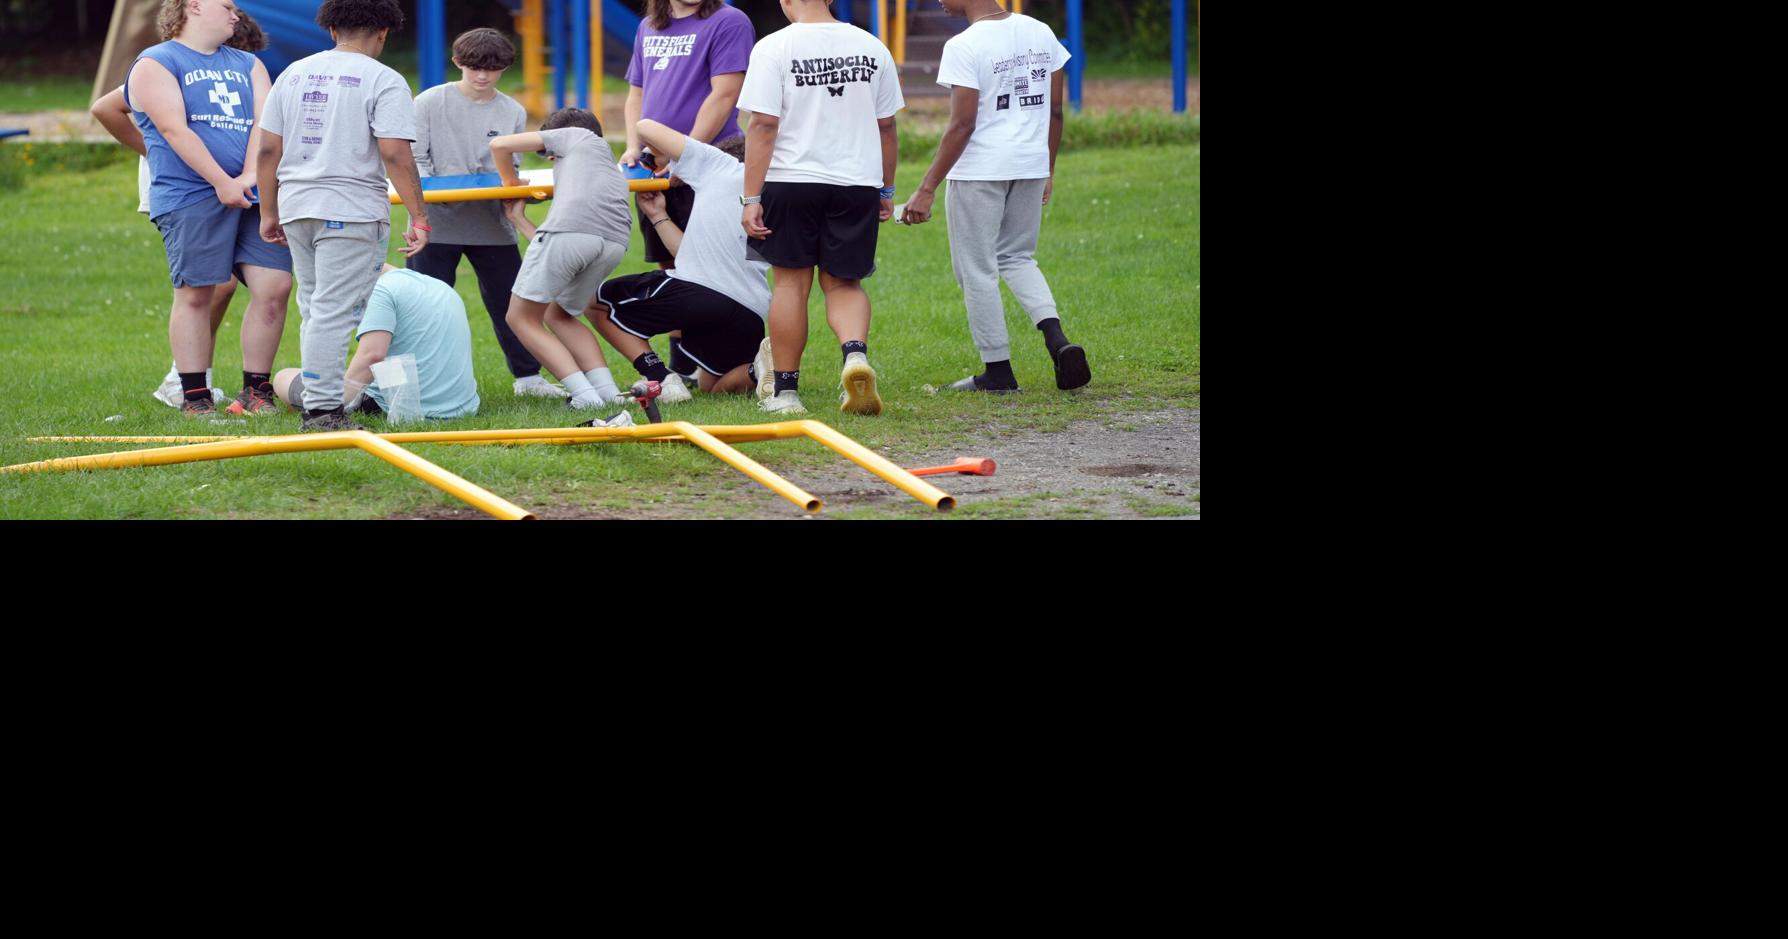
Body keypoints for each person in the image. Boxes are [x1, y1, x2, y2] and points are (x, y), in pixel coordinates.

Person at [258, 0, 429, 432]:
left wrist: (269, 211)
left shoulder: (292, 74)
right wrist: (419, 216)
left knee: (315, 308)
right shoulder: (385, 80)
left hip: (297, 204)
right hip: (351, 210)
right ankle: (322, 412)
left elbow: (266, 150)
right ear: (384, 33)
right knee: (334, 311)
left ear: (332, 29)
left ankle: (319, 404)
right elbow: (394, 152)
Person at [902, 0, 1089, 392]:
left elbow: (962, 124)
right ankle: (1058, 342)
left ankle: (998, 373)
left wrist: (926, 188)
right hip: (1030, 162)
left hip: (980, 170)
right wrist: (1047, 168)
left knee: (977, 269)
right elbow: (1055, 111)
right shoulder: (1041, 32)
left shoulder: (964, 45)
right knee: (1018, 257)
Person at [120, 0, 292, 417]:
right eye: (227, 6)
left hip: (253, 195)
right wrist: (221, 182)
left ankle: (256, 392)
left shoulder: (248, 64)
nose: (236, 15)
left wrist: (251, 176)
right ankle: (195, 397)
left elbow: (263, 124)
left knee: (275, 287)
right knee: (197, 293)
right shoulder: (155, 62)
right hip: (190, 195)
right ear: (193, 6)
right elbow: (172, 128)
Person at [737, 0, 903, 416]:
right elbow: (886, 125)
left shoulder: (774, 47)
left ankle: (787, 393)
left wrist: (751, 197)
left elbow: (762, 125)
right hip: (856, 182)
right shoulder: (872, 46)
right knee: (845, 284)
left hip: (791, 181)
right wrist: (886, 188)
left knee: (791, 286)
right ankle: (855, 356)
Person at [408, 27, 564, 400]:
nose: (482, 76)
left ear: (504, 69)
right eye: (475, 67)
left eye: (492, 69)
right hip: (437, 224)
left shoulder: (511, 109)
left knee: (512, 302)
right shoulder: (429, 102)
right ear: (458, 62)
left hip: (492, 225)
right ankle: (422, 381)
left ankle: (528, 378)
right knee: (425, 305)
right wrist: (431, 199)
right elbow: (414, 160)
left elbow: (508, 168)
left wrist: (520, 190)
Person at [576, 119, 767, 401]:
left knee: (592, 302)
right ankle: (757, 370)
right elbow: (689, 255)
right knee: (710, 388)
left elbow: (644, 126)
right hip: (752, 310)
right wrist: (657, 215)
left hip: (702, 291)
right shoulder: (773, 189)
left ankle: (659, 376)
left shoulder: (719, 165)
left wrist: (666, 154)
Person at [623, 0, 755, 381]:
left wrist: (689, 156)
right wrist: (634, 146)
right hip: (656, 165)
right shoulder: (650, 24)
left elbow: (725, 94)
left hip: (710, 163)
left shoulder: (729, 21)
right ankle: (682, 367)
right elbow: (637, 92)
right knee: (670, 265)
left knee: (710, 266)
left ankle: (724, 360)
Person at [489, 108, 634, 411]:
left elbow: (499, 145)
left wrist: (511, 182)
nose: (551, 158)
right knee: (561, 315)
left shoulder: (575, 135)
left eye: (547, 153)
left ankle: (584, 395)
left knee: (520, 318)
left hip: (572, 234)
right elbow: (561, 250)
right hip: (613, 242)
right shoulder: (605, 161)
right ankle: (606, 393)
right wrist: (519, 220)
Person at [272, 264, 479, 420]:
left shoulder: (380, 289)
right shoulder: (438, 286)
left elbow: (372, 356)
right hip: (464, 407)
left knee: (283, 378)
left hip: (408, 409)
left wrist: (330, 403)